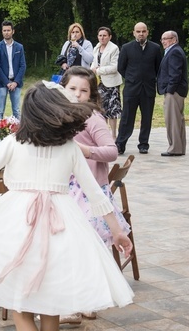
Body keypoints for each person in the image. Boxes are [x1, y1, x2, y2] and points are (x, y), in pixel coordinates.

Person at [0, 81, 134, 331]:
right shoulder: (71, 148)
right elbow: (96, 195)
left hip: (18, 222)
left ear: (29, 113)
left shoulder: (12, 143)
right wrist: (117, 231)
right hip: (61, 226)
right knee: (51, 299)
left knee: (21, 303)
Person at [59, 66, 131, 325]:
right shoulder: (59, 115)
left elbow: (111, 151)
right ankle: (80, 302)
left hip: (89, 193)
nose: (77, 95)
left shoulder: (92, 117)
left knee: (85, 249)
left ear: (91, 95)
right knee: (72, 249)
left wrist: (84, 151)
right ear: (62, 88)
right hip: (66, 189)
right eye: (72, 89)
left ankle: (84, 302)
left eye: (83, 90)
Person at [115, 22, 161, 155]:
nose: (141, 34)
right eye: (138, 31)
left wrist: (151, 79)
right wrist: (131, 78)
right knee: (126, 118)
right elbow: (121, 67)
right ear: (134, 32)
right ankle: (120, 144)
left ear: (147, 32)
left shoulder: (155, 48)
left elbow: (158, 68)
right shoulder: (126, 48)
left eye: (143, 31)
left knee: (147, 118)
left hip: (148, 89)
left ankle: (143, 144)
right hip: (131, 89)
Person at [157, 30, 188, 157]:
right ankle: (179, 148)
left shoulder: (174, 52)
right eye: (162, 39)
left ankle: (175, 148)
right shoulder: (173, 51)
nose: (163, 41)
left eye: (166, 39)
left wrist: (169, 90)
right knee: (177, 120)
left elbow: (175, 74)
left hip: (174, 92)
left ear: (174, 40)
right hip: (175, 91)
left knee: (173, 120)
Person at [91, 26, 122, 139]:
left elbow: (114, 67)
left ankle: (114, 135)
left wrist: (99, 70)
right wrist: (92, 70)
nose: (102, 38)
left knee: (112, 110)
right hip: (99, 84)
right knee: (101, 110)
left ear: (110, 37)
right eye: (100, 35)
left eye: (104, 35)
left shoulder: (114, 48)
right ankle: (104, 135)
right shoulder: (96, 48)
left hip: (111, 84)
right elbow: (93, 63)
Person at [0, 20, 26, 120]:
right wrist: (7, 82)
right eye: (4, 30)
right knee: (0, 110)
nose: (6, 32)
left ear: (13, 31)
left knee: (16, 110)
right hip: (2, 83)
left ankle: (19, 133)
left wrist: (15, 82)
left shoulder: (19, 47)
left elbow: (23, 65)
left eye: (8, 30)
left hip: (16, 81)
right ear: (2, 32)